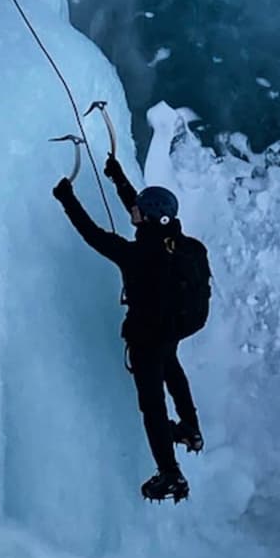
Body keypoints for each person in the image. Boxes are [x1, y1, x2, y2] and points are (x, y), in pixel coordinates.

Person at [52, 152, 210, 502]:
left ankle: (170, 474)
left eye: (139, 210)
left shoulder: (137, 256)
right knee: (172, 368)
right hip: (175, 328)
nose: (134, 212)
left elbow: (93, 235)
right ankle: (190, 428)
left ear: (150, 218)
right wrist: (118, 177)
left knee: (152, 406)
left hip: (148, 338)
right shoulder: (184, 245)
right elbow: (142, 212)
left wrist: (67, 199)